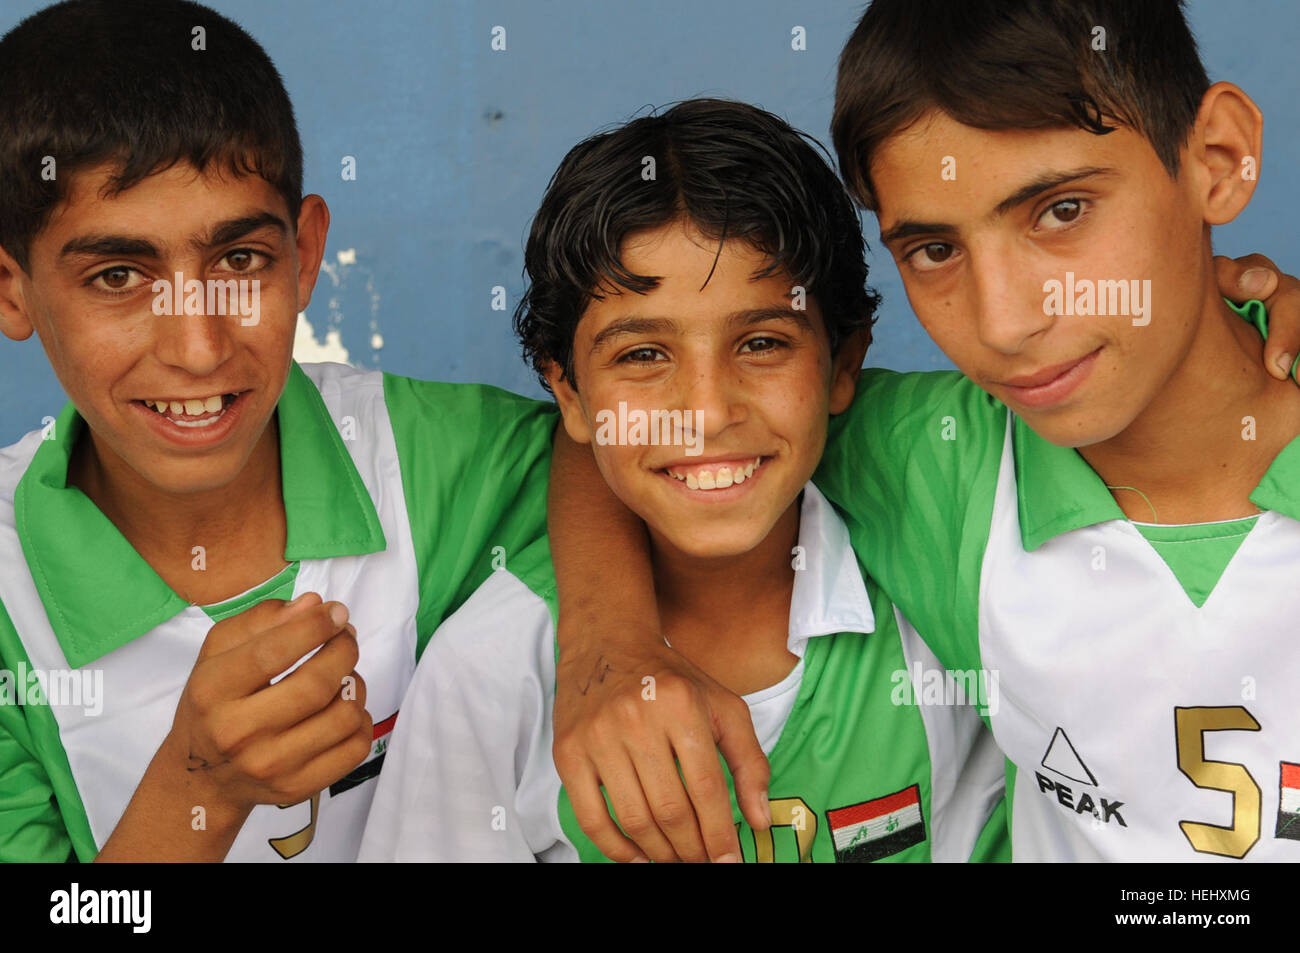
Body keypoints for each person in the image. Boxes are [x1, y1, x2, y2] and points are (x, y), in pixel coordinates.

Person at [548, 0, 1300, 861]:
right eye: (935, 250)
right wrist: (607, 642)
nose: (1006, 320)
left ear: (1221, 158)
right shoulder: (940, 463)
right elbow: (615, 431)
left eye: (1060, 212)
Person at [360, 99, 1008, 862]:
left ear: (844, 363)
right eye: (641, 355)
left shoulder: (933, 610)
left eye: (762, 342)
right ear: (568, 392)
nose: (704, 411)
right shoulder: (491, 671)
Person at [0, 0, 561, 861]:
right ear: (12, 291)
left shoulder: (428, 459)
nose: (197, 345)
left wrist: (614, 634)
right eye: (118, 274)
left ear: (303, 256)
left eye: (238, 260)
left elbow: (603, 466)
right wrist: (199, 786)